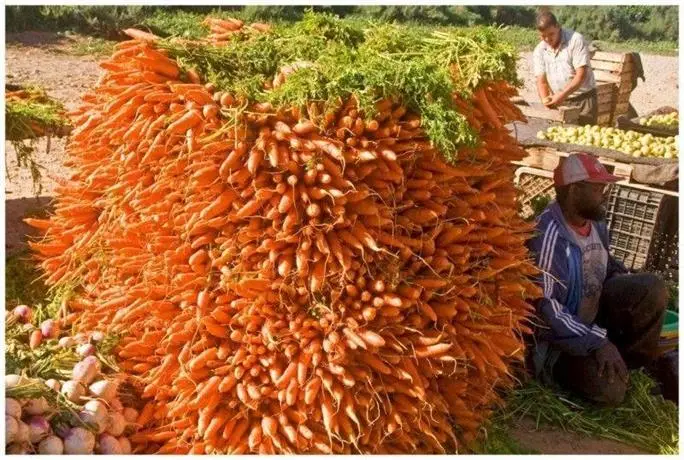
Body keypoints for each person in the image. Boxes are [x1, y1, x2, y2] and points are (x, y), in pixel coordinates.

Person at [528, 153, 670, 406]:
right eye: (598, 189)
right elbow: (544, 309)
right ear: (574, 190)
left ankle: (631, 366)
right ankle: (570, 372)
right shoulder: (548, 236)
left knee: (651, 288)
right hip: (561, 341)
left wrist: (627, 283)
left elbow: (605, 264)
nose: (604, 195)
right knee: (611, 392)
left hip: (592, 319)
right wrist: (597, 342)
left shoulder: (596, 223)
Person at [532, 11, 598, 125]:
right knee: (559, 138)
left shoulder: (575, 40)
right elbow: (541, 81)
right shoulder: (540, 50)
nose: (547, 39)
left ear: (558, 26)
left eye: (551, 34)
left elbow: (581, 75)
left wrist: (562, 95)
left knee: (583, 138)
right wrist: (545, 100)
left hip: (582, 101)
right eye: (543, 36)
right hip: (559, 103)